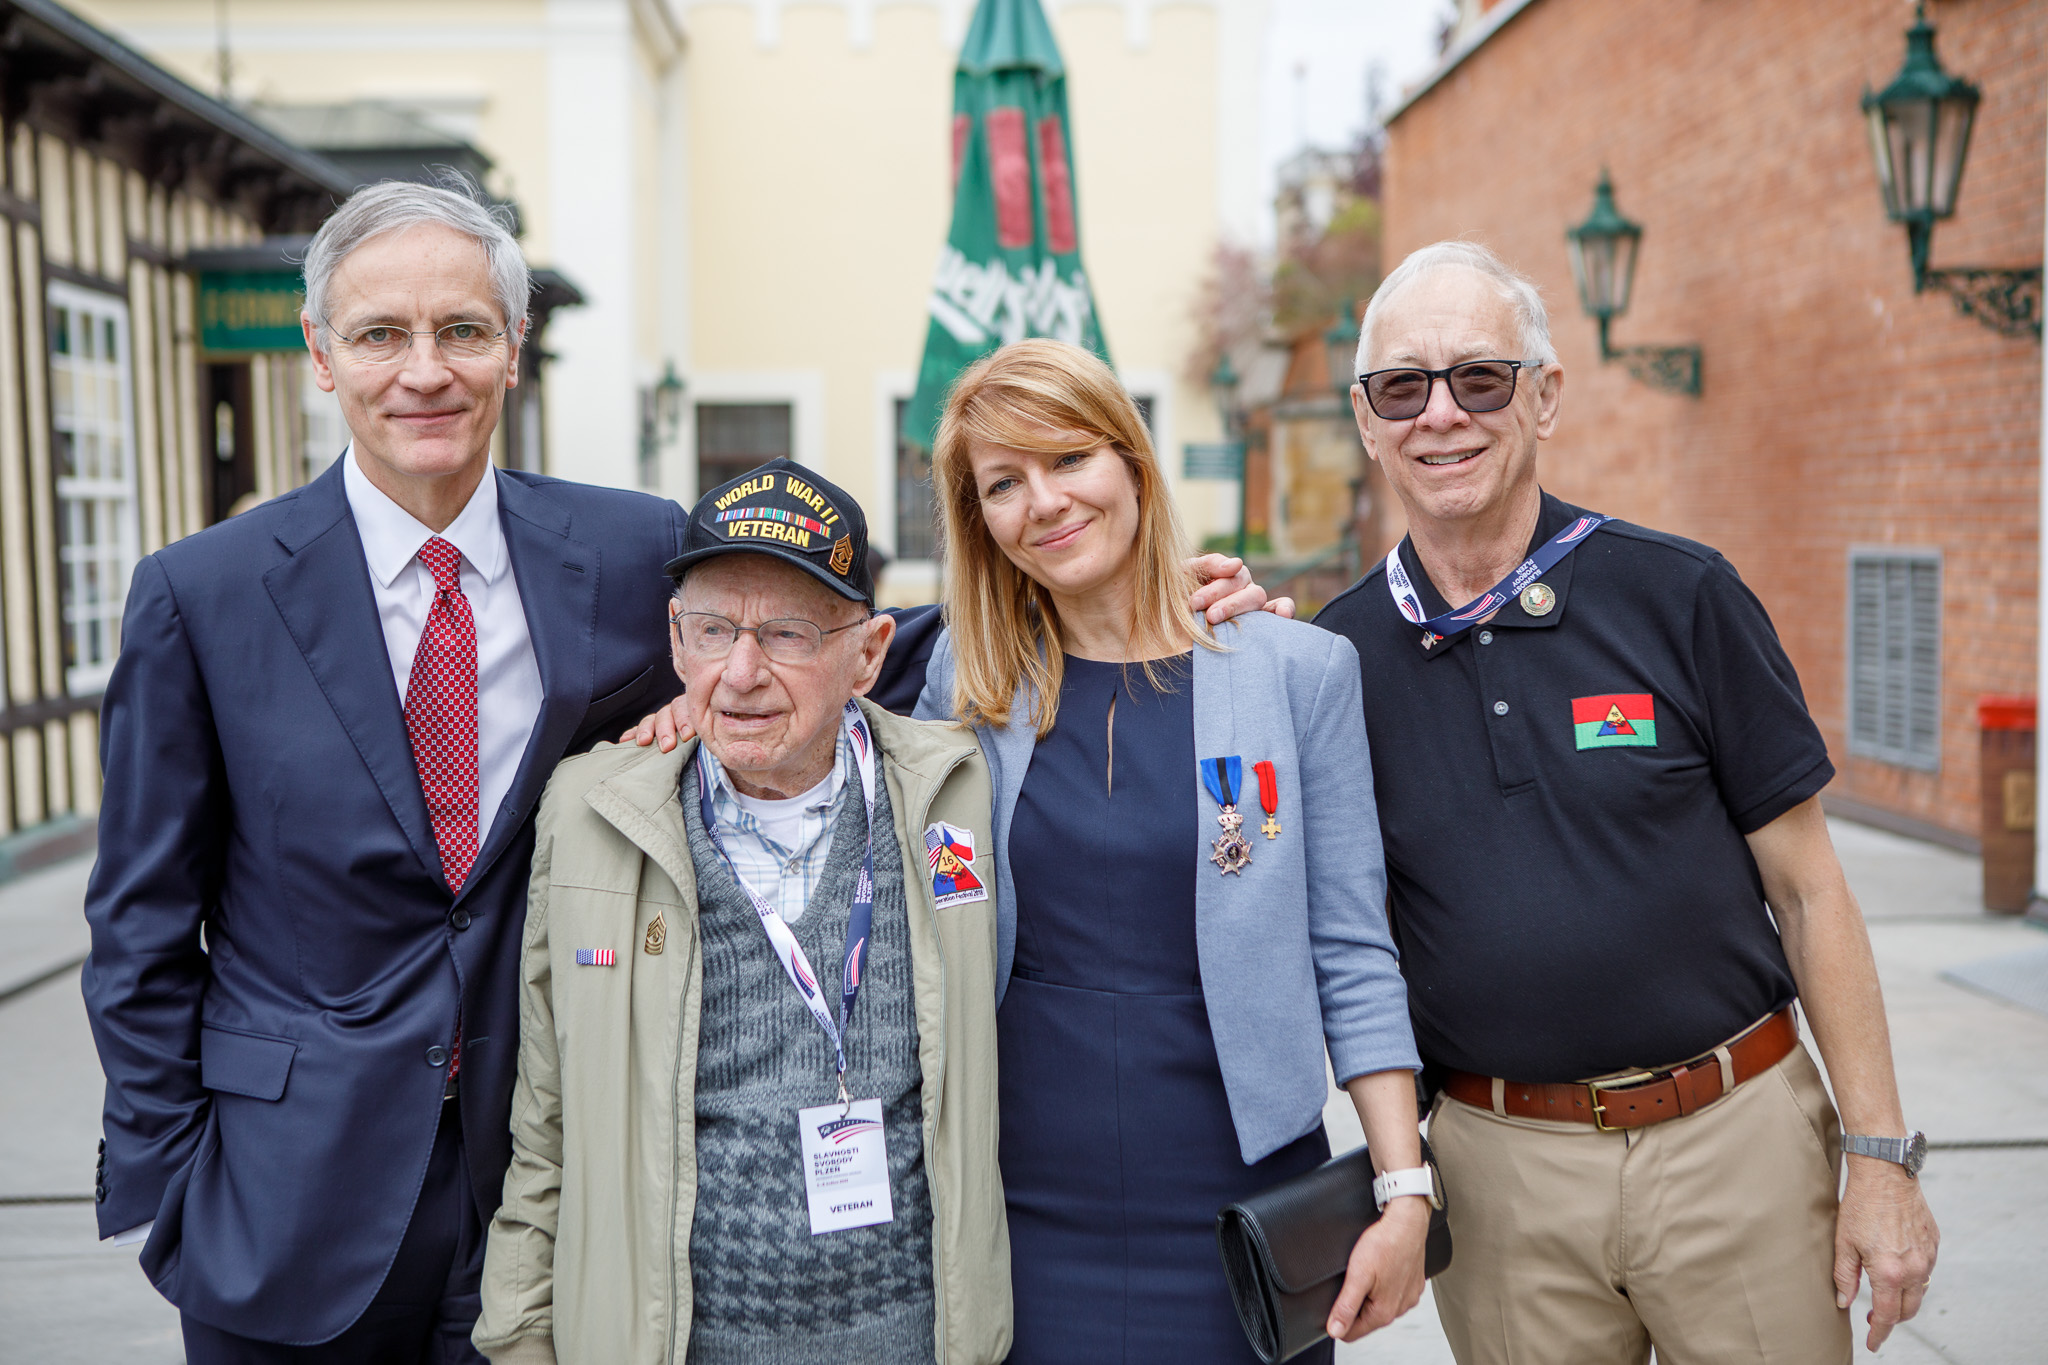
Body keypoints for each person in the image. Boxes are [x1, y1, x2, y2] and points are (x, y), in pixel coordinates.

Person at [81, 177, 690, 1363]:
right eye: (380, 335)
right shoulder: (201, 594)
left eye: (462, 329)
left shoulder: (635, 553)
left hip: (552, 1187)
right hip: (281, 1200)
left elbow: (829, 641)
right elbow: (140, 918)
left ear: (512, 348)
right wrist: (174, 1188)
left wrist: (1139, 604)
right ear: (321, 356)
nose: (426, 372)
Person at [1312, 240, 1940, 1365]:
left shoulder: (1680, 595)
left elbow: (1806, 891)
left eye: (1479, 378)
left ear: (1543, 397)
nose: (1438, 415)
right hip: (1500, 1175)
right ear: (1366, 420)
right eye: (1400, 386)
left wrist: (1880, 1159)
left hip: (1732, 1141)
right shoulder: (1329, 661)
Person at [919, 338, 1432, 1362]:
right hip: (1018, 1198)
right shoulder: (963, 684)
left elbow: (1350, 946)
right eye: (1003, 483)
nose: (1045, 502)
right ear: (979, 521)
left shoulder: (1297, 672)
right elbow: (785, 658)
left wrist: (1403, 1190)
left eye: (1068, 459)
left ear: (1131, 463)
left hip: (1239, 1198)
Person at [474, 461, 1010, 1365]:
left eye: (789, 633)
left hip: (915, 1341)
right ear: (675, 644)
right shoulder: (592, 814)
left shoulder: (956, 790)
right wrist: (520, 1337)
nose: (742, 673)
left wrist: (1200, 601)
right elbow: (546, 1125)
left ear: (870, 653)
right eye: (713, 629)